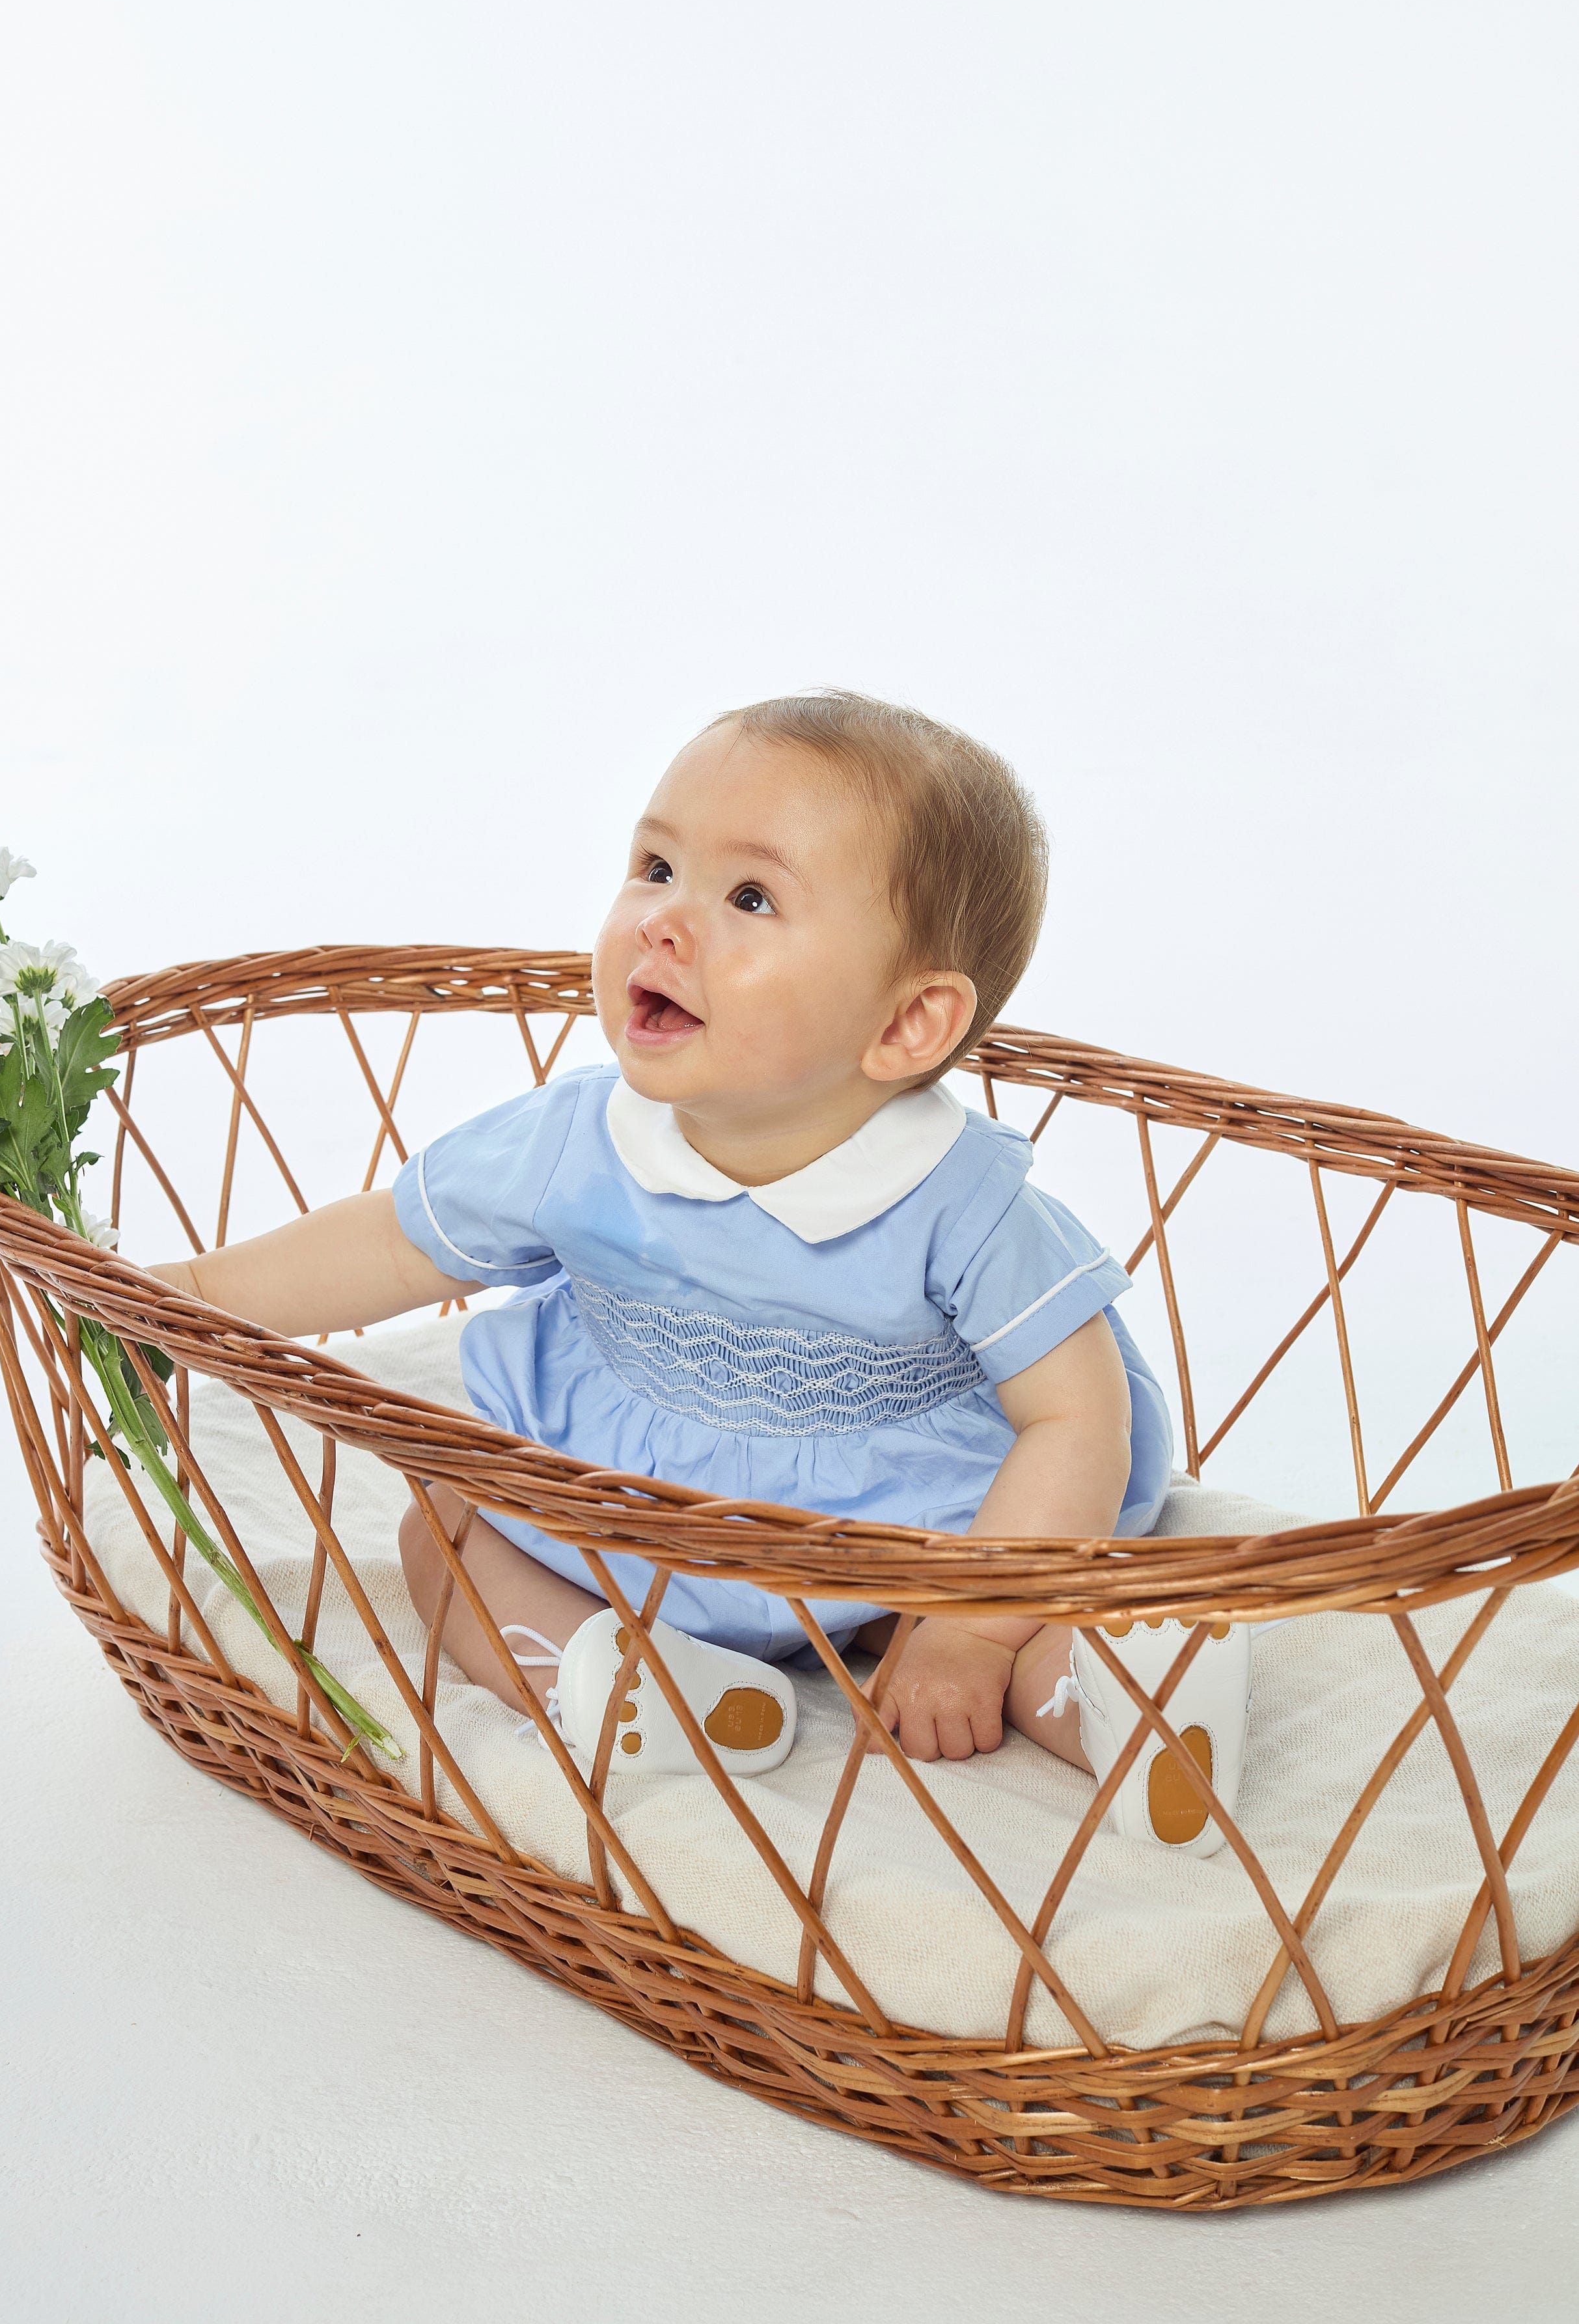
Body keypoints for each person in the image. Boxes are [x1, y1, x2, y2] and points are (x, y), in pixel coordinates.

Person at [148, 691, 1248, 1853]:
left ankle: (1132, 1710)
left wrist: (966, 1631)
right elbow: (390, 1243)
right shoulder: (579, 1140)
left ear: (911, 1024)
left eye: (751, 897)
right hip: (637, 1498)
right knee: (451, 1527)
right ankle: (641, 1688)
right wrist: (198, 1302)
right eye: (657, 864)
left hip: (907, 1533)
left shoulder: (961, 1201)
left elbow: (1078, 1418)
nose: (664, 923)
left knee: (984, 1636)